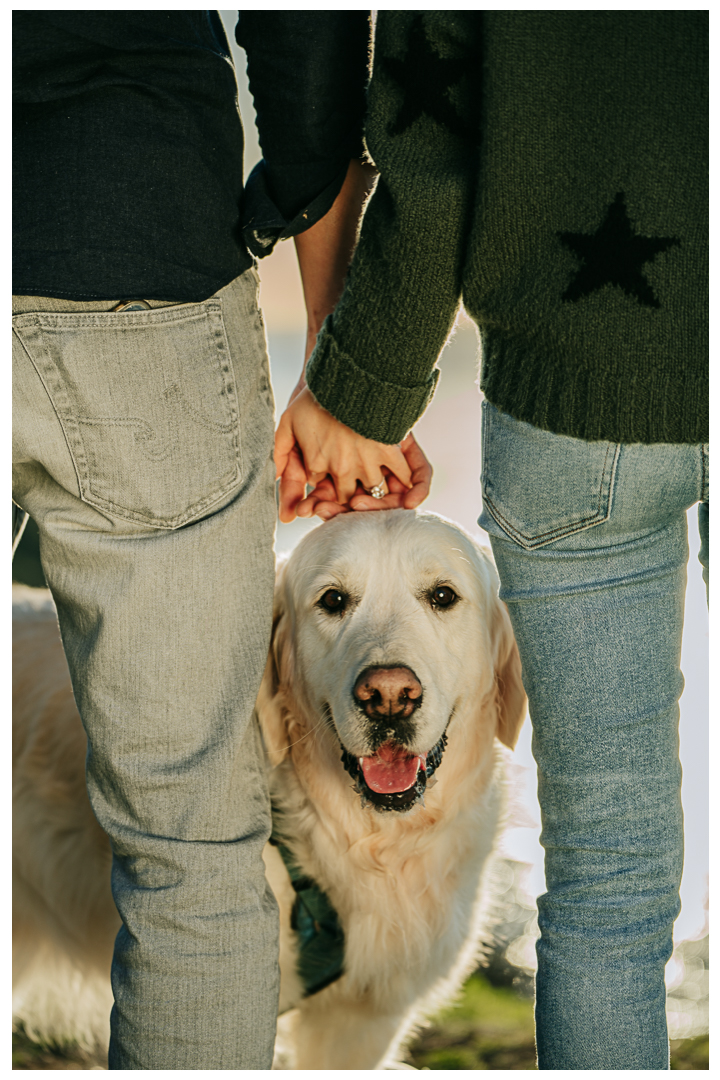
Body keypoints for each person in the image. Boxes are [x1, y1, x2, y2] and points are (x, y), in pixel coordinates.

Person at [275, 11, 708, 1070]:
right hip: (588, 376)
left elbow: (431, 126)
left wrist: (361, 382)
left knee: (607, 882)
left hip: (581, 378)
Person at [12, 10, 431, 1069]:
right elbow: (307, 34)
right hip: (131, 231)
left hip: (127, 228)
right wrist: (340, 349)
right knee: (190, 855)